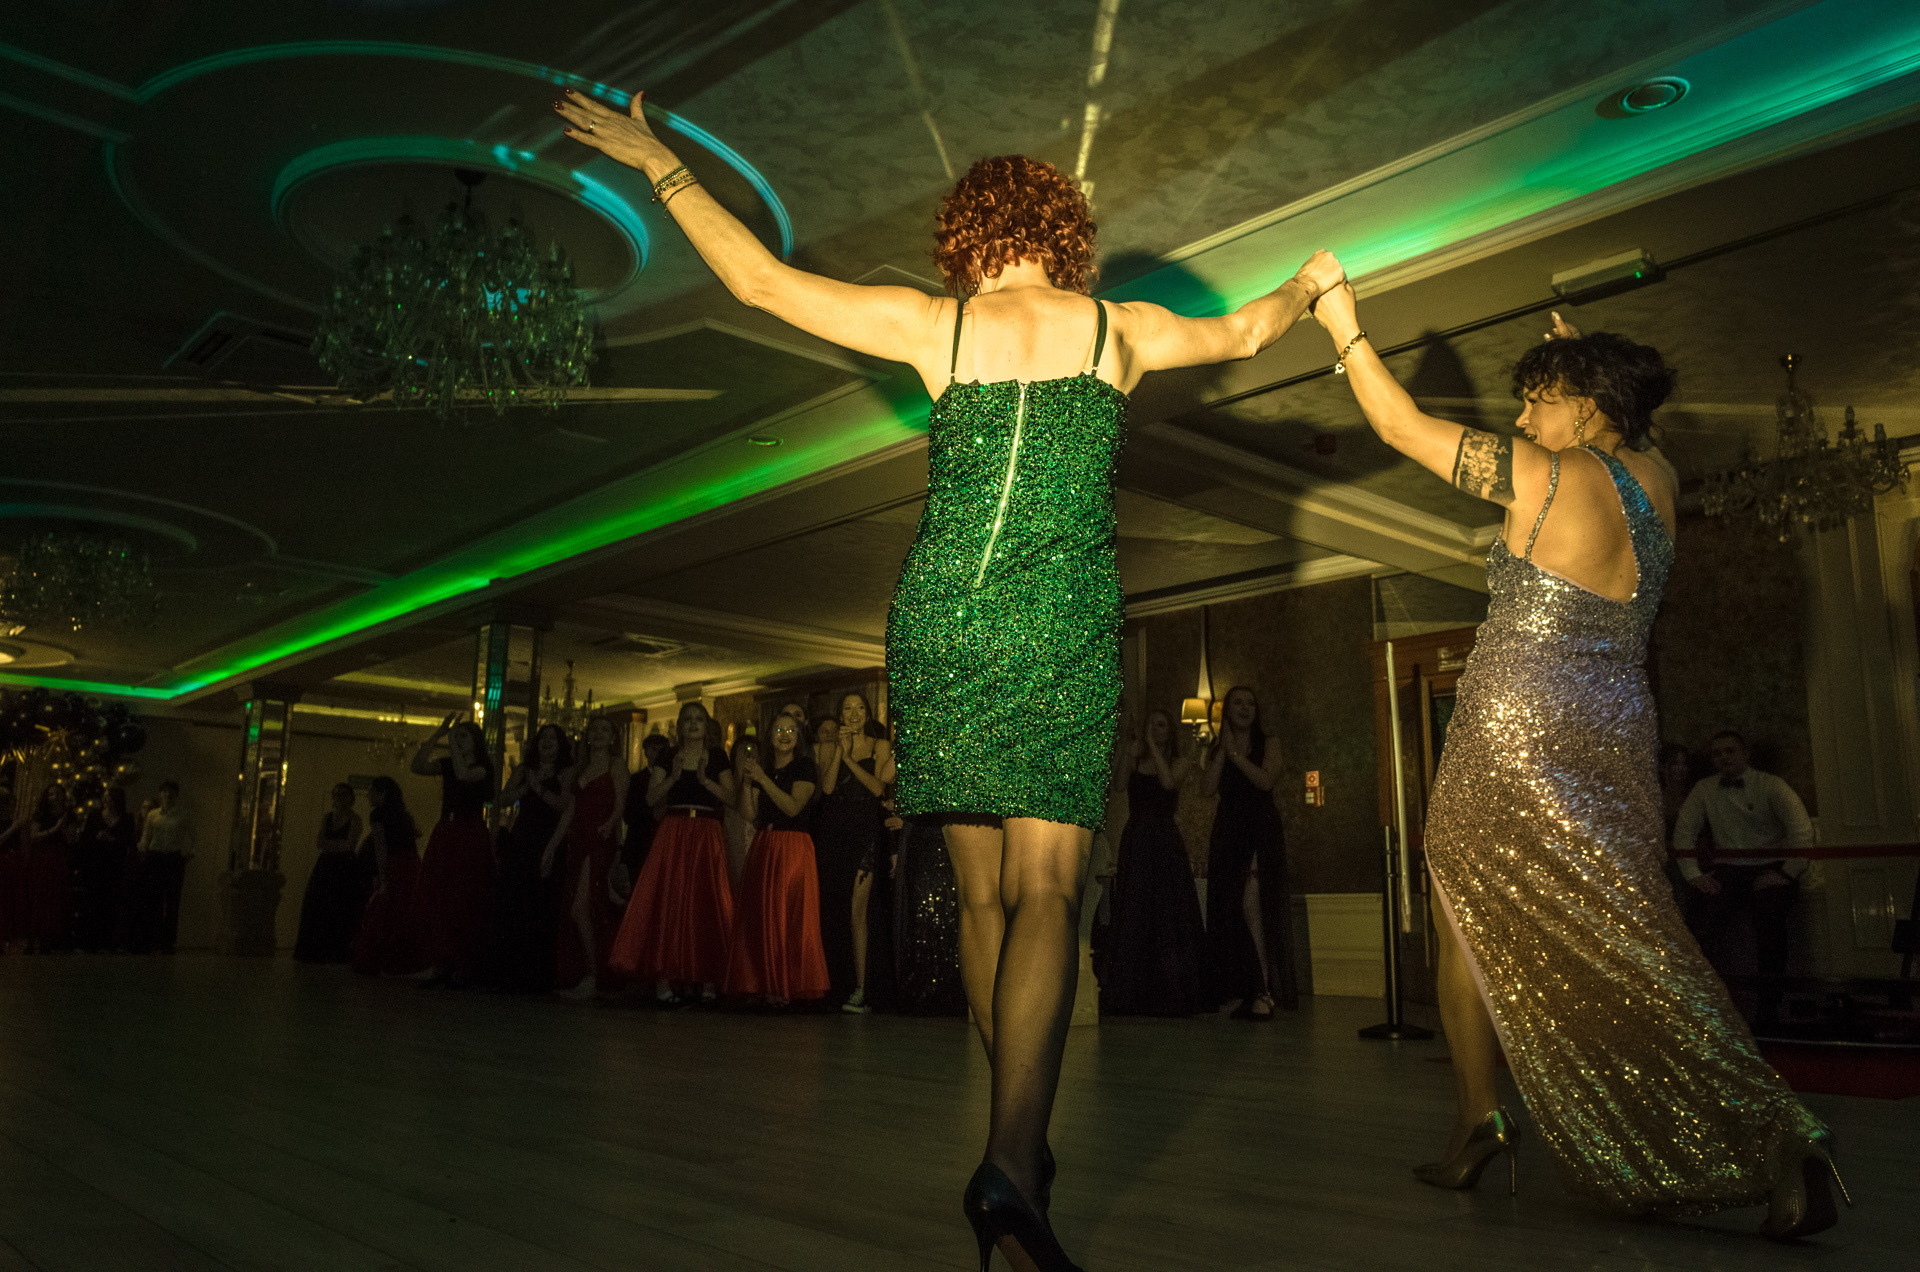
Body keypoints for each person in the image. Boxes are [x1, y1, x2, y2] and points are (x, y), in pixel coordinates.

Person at [556, 93, 1341, 1267]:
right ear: (1063, 233)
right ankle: (1011, 1161)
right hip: (1059, 621)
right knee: (1049, 895)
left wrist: (659, 163)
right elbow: (1246, 332)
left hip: (942, 624)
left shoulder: (937, 327)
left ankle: (1014, 1151)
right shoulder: (1119, 330)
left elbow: (759, 283)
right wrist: (1312, 282)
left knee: (981, 903)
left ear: (968, 235)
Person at [1312, 279, 1840, 1239]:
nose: (1522, 418)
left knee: (1462, 913)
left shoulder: (1541, 475)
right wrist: (1582, 356)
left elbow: (1397, 425)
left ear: (1588, 406)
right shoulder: (1661, 479)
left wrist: (1342, 325)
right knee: (1629, 928)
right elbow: (1634, 435)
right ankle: (1507, 1120)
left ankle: (1500, 1120)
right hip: (1618, 726)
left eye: (1536, 399)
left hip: (1513, 727)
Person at [1673, 730, 1813, 1023]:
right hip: (1729, 868)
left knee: (1770, 920)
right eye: (1717, 753)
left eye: (1730, 751)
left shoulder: (1771, 785)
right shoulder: (1704, 789)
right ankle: (1703, 1002)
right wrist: (1693, 875)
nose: (1723, 757)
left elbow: (1801, 831)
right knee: (1700, 916)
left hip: (1770, 866)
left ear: (1745, 754)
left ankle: (1769, 1006)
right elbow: (1684, 832)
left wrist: (1786, 873)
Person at [610, 701, 735, 1004]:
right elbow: (651, 798)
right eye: (688, 719)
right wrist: (674, 777)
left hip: (706, 831)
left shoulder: (718, 756)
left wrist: (705, 780)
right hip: (674, 829)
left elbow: (732, 798)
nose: (693, 724)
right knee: (670, 901)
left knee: (706, 901)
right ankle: (663, 979)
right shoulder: (669, 755)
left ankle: (707, 979)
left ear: (706, 726)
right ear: (679, 726)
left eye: (699, 719)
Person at [1100, 711, 1207, 1017]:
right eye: (1151, 724)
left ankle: (1172, 991)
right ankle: (1129, 992)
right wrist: (1126, 746)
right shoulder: (1136, 760)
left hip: (1163, 840)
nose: (1155, 729)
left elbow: (1168, 783)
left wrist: (1152, 746)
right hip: (1137, 837)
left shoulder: (1179, 761)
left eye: (1161, 724)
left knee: (1167, 909)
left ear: (1170, 731)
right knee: (1135, 906)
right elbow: (1119, 785)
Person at [723, 711, 829, 1006]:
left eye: (791, 730)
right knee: (762, 916)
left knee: (786, 916)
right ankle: (762, 983)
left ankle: (786, 986)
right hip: (765, 845)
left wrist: (762, 779)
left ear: (799, 737)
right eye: (779, 729)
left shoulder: (804, 767)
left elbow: (793, 807)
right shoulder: (765, 767)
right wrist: (747, 783)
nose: (784, 734)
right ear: (769, 736)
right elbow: (749, 814)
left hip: (792, 846)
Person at [1201, 687, 1295, 1019]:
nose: (1245, 708)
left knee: (1253, 905)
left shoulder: (1270, 743)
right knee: (1228, 908)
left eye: (1251, 703)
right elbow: (1206, 789)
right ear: (1227, 711)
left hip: (1259, 829)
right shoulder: (1218, 749)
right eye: (1238, 703)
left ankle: (1263, 991)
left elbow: (1266, 781)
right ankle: (1241, 988)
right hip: (1228, 831)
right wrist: (1223, 751)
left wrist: (1236, 756)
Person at [814, 691, 894, 1012]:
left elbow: (878, 789)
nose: (854, 713)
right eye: (848, 708)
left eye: (860, 707)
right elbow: (828, 788)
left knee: (857, 908)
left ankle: (862, 988)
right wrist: (839, 751)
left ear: (867, 714)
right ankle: (837, 984)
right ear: (840, 716)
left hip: (865, 831)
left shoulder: (879, 746)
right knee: (834, 906)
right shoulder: (825, 747)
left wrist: (849, 759)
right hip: (834, 831)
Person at [544, 716, 627, 999]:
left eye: (605, 730)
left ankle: (594, 975)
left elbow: (620, 804)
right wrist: (552, 846)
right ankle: (593, 974)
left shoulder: (616, 765)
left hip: (599, 840)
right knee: (584, 907)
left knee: (582, 908)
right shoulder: (581, 768)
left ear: (613, 738)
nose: (599, 734)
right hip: (578, 841)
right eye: (595, 730)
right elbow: (570, 810)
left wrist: (610, 828)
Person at [483, 723, 569, 992]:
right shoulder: (524, 769)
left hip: (548, 838)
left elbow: (564, 806)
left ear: (560, 745)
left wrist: (538, 788)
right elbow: (502, 800)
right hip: (522, 838)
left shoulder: (565, 772)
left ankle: (538, 973)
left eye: (553, 738)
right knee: (514, 902)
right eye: (543, 737)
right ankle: (509, 970)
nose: (547, 742)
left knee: (542, 905)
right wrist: (524, 789)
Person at [410, 716, 495, 985]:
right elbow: (417, 766)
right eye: (456, 736)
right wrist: (437, 735)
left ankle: (463, 963)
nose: (457, 741)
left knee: (465, 897)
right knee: (437, 894)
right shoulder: (448, 763)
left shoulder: (483, 767)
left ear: (476, 741)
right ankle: (441, 961)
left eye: (463, 736)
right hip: (446, 830)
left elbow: (463, 775)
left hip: (469, 833)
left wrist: (452, 746)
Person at [350, 776, 425, 976]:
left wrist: (383, 878)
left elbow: (381, 848)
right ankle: (404, 959)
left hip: (394, 866)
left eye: (372, 791)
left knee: (385, 912)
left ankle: (381, 959)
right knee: (405, 911)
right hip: (411, 865)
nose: (368, 795)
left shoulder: (377, 816)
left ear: (382, 794)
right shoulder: (403, 816)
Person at [293, 783, 369, 963]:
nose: (340, 798)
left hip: (345, 868)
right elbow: (320, 842)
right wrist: (336, 845)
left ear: (351, 798)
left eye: (344, 794)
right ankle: (316, 950)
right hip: (326, 866)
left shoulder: (355, 819)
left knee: (341, 906)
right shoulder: (327, 817)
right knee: (318, 904)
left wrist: (330, 845)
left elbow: (349, 845)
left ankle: (339, 951)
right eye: (337, 794)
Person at [75, 785, 138, 952]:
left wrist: (112, 840)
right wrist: (96, 838)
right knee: (94, 902)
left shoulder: (126, 818)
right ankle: (92, 941)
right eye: (106, 797)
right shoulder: (95, 815)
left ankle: (108, 940)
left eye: (110, 798)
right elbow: (85, 838)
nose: (107, 801)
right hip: (96, 865)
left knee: (112, 903)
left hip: (115, 866)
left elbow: (129, 841)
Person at [136, 780, 194, 953]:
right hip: (155, 857)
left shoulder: (183, 815)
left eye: (171, 791)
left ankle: (167, 941)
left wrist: (188, 854)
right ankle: (151, 939)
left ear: (176, 794)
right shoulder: (153, 815)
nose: (167, 795)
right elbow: (147, 836)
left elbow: (193, 836)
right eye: (165, 791)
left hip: (173, 858)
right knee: (153, 899)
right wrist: (142, 851)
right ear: (160, 793)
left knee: (172, 901)